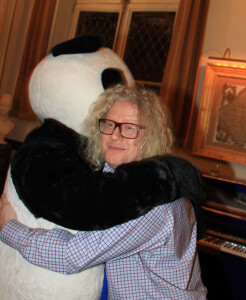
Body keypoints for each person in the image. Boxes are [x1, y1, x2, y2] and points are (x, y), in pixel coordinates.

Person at [0, 85, 207, 299]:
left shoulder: (148, 199)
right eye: (109, 124)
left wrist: (9, 228)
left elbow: (71, 256)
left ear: (150, 136)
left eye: (129, 128)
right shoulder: (123, 181)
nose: (115, 136)